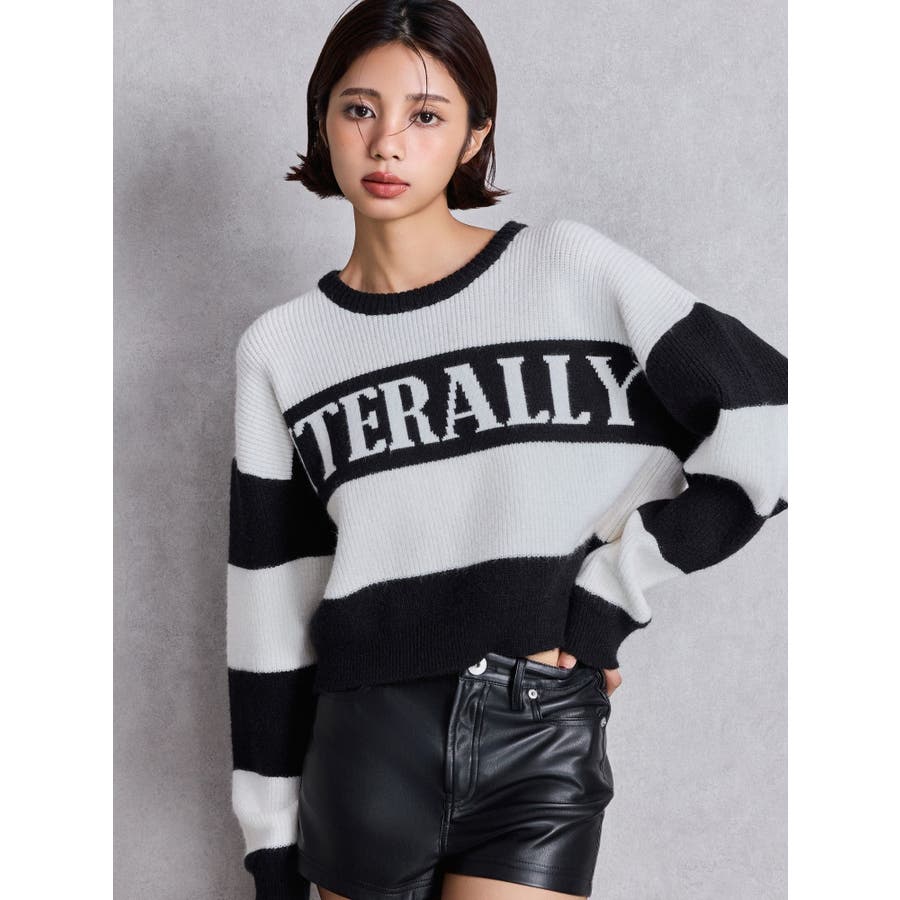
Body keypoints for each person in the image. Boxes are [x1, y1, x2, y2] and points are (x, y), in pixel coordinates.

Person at [225, 2, 788, 899]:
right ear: (322, 119)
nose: (387, 143)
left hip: (540, 732)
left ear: (475, 135)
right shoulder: (282, 350)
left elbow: (775, 419)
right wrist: (270, 849)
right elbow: (270, 606)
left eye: (426, 115)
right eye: (359, 108)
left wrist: (606, 599)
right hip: (365, 747)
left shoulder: (570, 271)